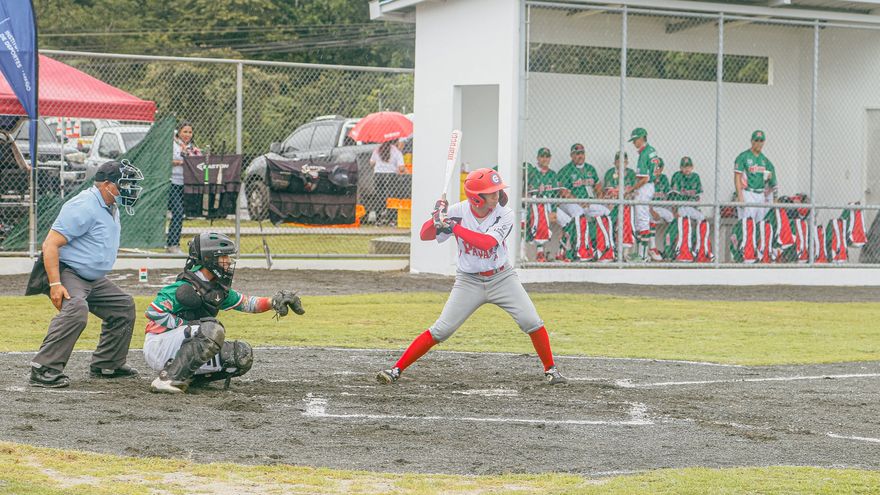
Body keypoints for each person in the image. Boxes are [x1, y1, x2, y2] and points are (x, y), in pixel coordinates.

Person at [376, 168, 567, 385]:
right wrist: (436, 217)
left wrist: (452, 225)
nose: (497, 195)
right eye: (491, 192)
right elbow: (424, 235)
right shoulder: (457, 212)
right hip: (468, 281)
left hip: (502, 277)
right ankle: (396, 369)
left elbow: (486, 244)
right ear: (477, 198)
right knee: (441, 330)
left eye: (497, 190)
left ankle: (551, 369)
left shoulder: (504, 213)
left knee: (531, 321)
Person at [29, 160, 144, 388]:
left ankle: (107, 363)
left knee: (123, 306)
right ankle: (44, 368)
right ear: (107, 185)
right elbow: (50, 244)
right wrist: (55, 284)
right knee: (76, 308)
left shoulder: (110, 204)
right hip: (68, 271)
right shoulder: (83, 205)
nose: (129, 189)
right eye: (124, 184)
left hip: (90, 277)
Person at [145, 232, 305, 394]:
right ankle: (167, 379)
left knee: (240, 355)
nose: (228, 261)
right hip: (159, 345)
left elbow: (247, 303)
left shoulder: (215, 287)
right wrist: (185, 324)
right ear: (209, 258)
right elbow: (153, 312)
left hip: (180, 343)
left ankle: (187, 378)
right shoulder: (184, 286)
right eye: (224, 257)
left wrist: (274, 302)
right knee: (212, 330)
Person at [557, 143, 614, 262]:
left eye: (582, 153)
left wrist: (599, 199)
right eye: (577, 154)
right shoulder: (566, 170)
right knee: (579, 214)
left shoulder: (590, 168)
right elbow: (564, 192)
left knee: (605, 212)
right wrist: (579, 201)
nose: (580, 156)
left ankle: (604, 250)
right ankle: (581, 251)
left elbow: (597, 187)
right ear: (572, 155)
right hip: (570, 202)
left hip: (588, 202)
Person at [733, 130, 777, 263]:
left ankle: (757, 255)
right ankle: (744, 255)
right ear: (752, 141)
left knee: (759, 226)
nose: (759, 143)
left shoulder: (765, 160)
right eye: (756, 140)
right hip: (747, 193)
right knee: (746, 225)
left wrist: (772, 191)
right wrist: (740, 195)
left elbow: (773, 181)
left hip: (760, 194)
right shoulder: (743, 157)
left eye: (761, 140)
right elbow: (737, 177)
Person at [667, 157, 713, 263]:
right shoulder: (677, 176)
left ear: (692, 167)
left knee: (702, 219)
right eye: (684, 167)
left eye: (688, 166)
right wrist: (675, 211)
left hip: (691, 207)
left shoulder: (696, 177)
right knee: (684, 220)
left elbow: (697, 197)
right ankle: (684, 250)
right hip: (681, 206)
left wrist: (697, 208)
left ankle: (700, 250)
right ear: (680, 168)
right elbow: (673, 196)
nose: (686, 169)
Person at [629, 128, 663, 262]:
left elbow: (644, 178)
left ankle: (642, 256)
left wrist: (631, 189)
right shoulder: (651, 150)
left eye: (635, 140)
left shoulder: (644, 154)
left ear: (642, 138)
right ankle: (641, 253)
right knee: (643, 219)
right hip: (649, 187)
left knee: (642, 220)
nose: (634, 143)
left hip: (645, 187)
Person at [524, 147, 562, 262]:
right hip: (536, 206)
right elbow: (527, 193)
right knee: (540, 212)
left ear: (550, 158)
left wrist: (554, 210)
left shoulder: (553, 174)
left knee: (567, 219)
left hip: (550, 206)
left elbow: (556, 195)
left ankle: (562, 252)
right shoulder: (532, 173)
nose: (545, 159)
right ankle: (540, 251)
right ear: (537, 158)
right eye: (542, 156)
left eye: (547, 156)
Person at [169, 121, 201, 253]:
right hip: (172, 183)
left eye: (190, 132)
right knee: (177, 211)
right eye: (185, 131)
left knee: (180, 213)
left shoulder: (193, 148)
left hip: (186, 184)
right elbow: (166, 161)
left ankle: (174, 244)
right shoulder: (172, 145)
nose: (187, 134)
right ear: (179, 132)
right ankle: (172, 244)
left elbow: (198, 163)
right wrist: (182, 162)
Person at [603, 151, 637, 250]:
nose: (622, 164)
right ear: (615, 162)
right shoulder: (610, 173)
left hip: (628, 203)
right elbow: (610, 192)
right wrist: (623, 192)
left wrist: (623, 192)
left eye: (624, 161)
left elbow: (634, 191)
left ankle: (626, 248)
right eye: (619, 161)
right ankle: (614, 247)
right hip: (613, 203)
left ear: (627, 162)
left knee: (629, 209)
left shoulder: (631, 173)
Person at [369, 139, 406, 225]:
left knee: (379, 196)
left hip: (378, 175)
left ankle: (378, 219)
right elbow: (401, 168)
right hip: (391, 175)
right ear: (395, 141)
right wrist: (403, 169)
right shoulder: (396, 151)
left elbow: (371, 163)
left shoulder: (377, 149)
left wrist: (379, 163)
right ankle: (391, 219)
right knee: (391, 197)